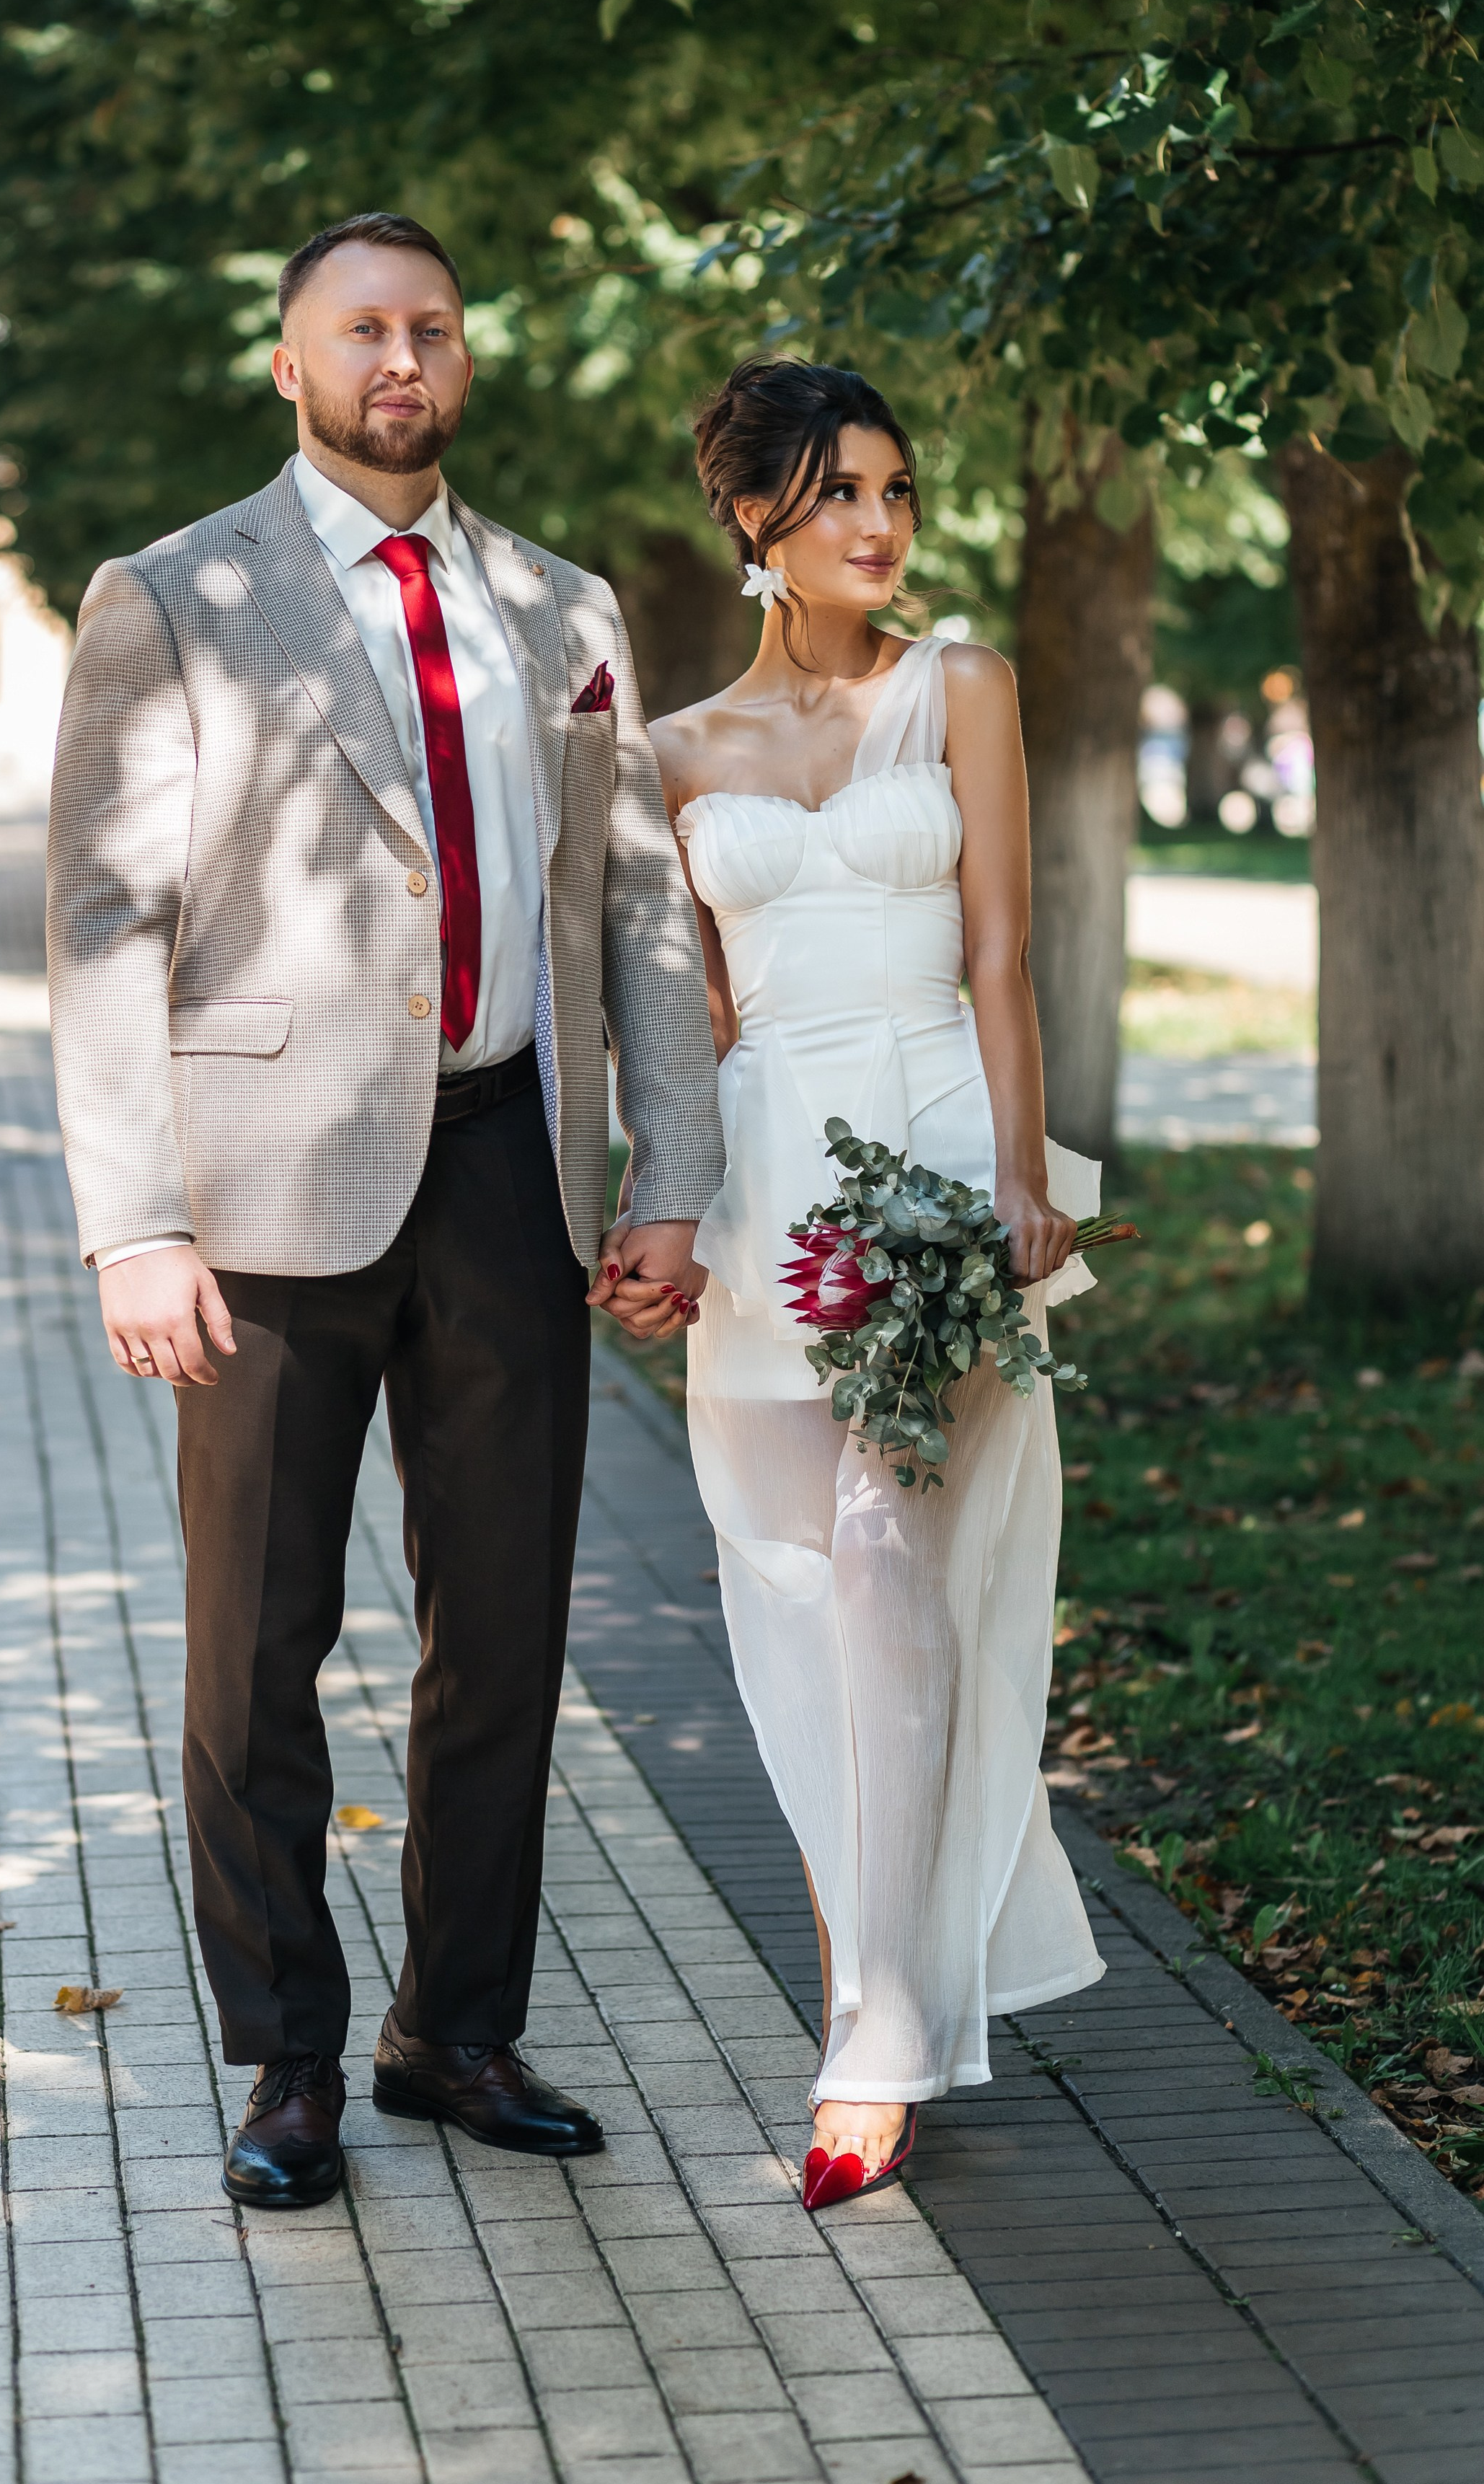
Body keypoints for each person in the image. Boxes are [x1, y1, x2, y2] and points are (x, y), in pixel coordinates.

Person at [46, 212, 723, 2209]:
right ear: (292, 362)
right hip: (262, 1192)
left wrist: (674, 1176)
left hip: (513, 1162)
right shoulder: (177, 595)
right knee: (259, 1643)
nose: (399, 356)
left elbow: (636, 907)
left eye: (430, 325)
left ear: (466, 355)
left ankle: (458, 2030)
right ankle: (287, 2060)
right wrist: (133, 1220)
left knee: (503, 1629)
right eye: (361, 329)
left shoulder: (560, 602)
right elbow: (104, 920)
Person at [640, 358, 1105, 2211]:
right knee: (802, 1592)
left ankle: (881, 2042)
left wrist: (1017, 1179)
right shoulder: (675, 752)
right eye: (841, 492)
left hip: (936, 1153)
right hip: (770, 1183)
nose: (882, 525)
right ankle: (866, 1977)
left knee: (889, 1547)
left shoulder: (961, 684)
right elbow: (695, 1022)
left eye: (897, 490)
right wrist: (663, 1207)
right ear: (753, 517)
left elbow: (1002, 957)